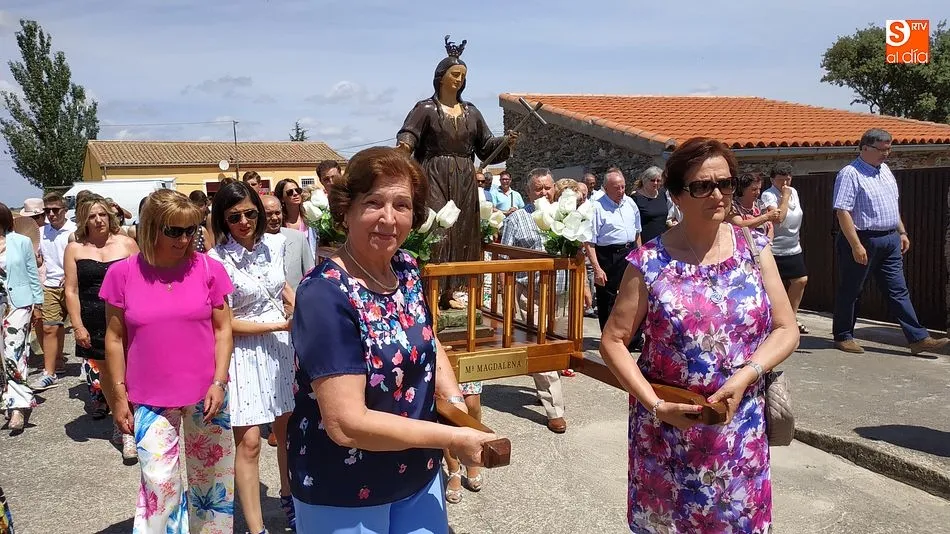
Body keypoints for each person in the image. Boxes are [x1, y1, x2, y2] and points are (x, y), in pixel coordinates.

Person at [288, 146, 497, 533]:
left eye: (402, 205)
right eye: (374, 203)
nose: (389, 218)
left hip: (417, 473)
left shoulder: (406, 269)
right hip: (344, 487)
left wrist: (452, 402)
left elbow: (427, 339)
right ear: (345, 211)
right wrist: (451, 435)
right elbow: (346, 423)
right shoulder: (324, 294)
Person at [600, 137, 800, 533]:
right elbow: (613, 340)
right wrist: (655, 405)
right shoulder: (649, 262)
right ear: (676, 195)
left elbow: (785, 328)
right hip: (668, 431)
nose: (718, 194)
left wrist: (747, 376)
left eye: (725, 183)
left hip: (739, 432)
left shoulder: (754, 247)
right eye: (702, 186)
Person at [100, 189, 236, 532]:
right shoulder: (123, 274)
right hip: (149, 397)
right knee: (160, 485)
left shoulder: (209, 269)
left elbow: (223, 330)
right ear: (151, 228)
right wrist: (118, 395)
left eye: (191, 229)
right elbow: (114, 338)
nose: (185, 238)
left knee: (213, 486)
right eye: (174, 231)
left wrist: (220, 381)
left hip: (208, 394)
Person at [396, 35, 515, 309]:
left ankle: (450, 292)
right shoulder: (426, 109)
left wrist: (505, 143)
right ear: (440, 77)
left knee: (462, 233)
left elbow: (485, 147)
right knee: (437, 231)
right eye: (454, 74)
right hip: (433, 174)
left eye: (463, 75)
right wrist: (402, 149)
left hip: (464, 178)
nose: (458, 79)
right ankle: (427, 293)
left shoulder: (471, 112)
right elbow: (409, 136)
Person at [207, 181, 297, 533]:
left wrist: (302, 313)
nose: (244, 221)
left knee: (287, 432)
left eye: (250, 213)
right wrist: (279, 324)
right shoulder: (215, 260)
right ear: (223, 219)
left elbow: (283, 288)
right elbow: (225, 322)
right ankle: (257, 528)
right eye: (234, 216)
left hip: (281, 349)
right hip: (242, 354)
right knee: (249, 443)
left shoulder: (275, 245)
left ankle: (290, 499)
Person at [832, 128, 948, 356]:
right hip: (863, 239)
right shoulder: (850, 174)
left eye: (889, 149)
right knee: (852, 290)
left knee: (898, 290)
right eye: (882, 149)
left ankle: (918, 338)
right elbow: (842, 211)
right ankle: (843, 336)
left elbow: (891, 205)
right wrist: (856, 245)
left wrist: (901, 232)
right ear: (865, 148)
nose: (887, 154)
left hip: (890, 239)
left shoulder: (885, 170)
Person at [62, 197, 140, 461]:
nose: (99, 220)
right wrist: (77, 325)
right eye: (93, 216)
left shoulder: (127, 243)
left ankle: (133, 418)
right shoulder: (74, 249)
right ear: (84, 220)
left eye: (103, 214)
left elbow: (144, 281)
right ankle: (124, 429)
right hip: (93, 320)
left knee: (130, 372)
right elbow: (71, 290)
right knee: (107, 375)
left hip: (126, 319)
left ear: (111, 216)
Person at [499, 168, 568, 434]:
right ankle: (555, 410)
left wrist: (585, 286)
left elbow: (578, 250)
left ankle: (546, 387)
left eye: (547, 187)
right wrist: (506, 295)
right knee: (542, 348)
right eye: (538, 188)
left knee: (558, 347)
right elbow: (504, 258)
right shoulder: (517, 220)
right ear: (528, 192)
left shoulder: (565, 216)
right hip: (532, 293)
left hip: (563, 291)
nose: (543, 193)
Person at [0, 203, 43, 434]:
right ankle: (7, 398)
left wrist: (39, 305)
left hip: (18, 304)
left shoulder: (21, 242)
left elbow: (32, 274)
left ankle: (18, 407)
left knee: (14, 352)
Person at [584, 167, 641, 333]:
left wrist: (641, 254)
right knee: (607, 299)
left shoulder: (630, 203)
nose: (621, 191)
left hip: (629, 252)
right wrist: (597, 268)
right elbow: (589, 241)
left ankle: (632, 337)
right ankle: (608, 337)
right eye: (617, 187)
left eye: (623, 186)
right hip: (608, 255)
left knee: (632, 295)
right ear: (606, 188)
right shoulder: (597, 207)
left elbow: (637, 232)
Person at [29, 192, 76, 392]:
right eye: (47, 211)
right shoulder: (41, 232)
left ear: (64, 210)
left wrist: (73, 274)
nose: (51, 214)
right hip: (50, 285)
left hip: (73, 284)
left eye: (55, 210)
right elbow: (40, 258)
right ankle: (49, 372)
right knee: (49, 328)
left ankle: (89, 366)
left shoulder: (74, 230)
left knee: (80, 326)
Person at [760, 162, 810, 334]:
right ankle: (774, 321)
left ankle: (791, 316)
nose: (785, 184)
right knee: (776, 286)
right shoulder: (768, 195)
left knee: (801, 280)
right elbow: (778, 218)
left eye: (788, 180)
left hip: (793, 245)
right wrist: (785, 197)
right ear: (773, 179)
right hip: (775, 248)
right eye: (781, 180)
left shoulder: (793, 191)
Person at [262, 194, 315, 290]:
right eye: (268, 214)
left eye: (278, 213)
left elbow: (310, 275)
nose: (274, 218)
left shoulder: (298, 238)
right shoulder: (252, 243)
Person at [275, 178, 318, 257]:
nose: (295, 194)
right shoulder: (278, 223)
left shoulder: (310, 219)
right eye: (290, 192)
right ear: (282, 198)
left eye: (297, 190)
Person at [632, 166, 676, 244]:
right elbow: (633, 225)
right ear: (645, 180)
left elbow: (669, 214)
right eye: (652, 180)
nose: (655, 183)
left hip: (663, 242)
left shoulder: (663, 193)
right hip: (645, 243)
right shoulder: (636, 198)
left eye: (658, 180)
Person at [729, 173, 777, 240]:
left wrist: (768, 242)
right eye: (754, 189)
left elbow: (770, 226)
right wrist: (766, 217)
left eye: (759, 189)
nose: (758, 192)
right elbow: (741, 225)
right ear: (743, 189)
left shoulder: (759, 204)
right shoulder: (732, 205)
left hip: (763, 245)